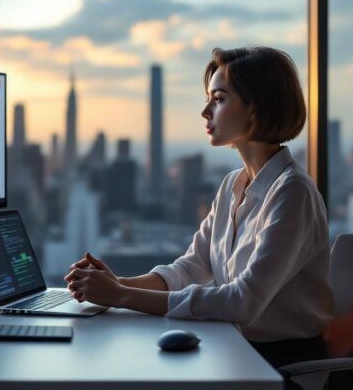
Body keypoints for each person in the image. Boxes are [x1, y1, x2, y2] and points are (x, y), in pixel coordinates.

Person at [65, 46, 334, 372]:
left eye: (219, 99)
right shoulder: (232, 185)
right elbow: (190, 269)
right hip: (234, 347)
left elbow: (242, 302)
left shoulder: (293, 193)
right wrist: (119, 283)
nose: (206, 111)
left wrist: (120, 296)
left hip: (278, 364)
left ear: (254, 109)